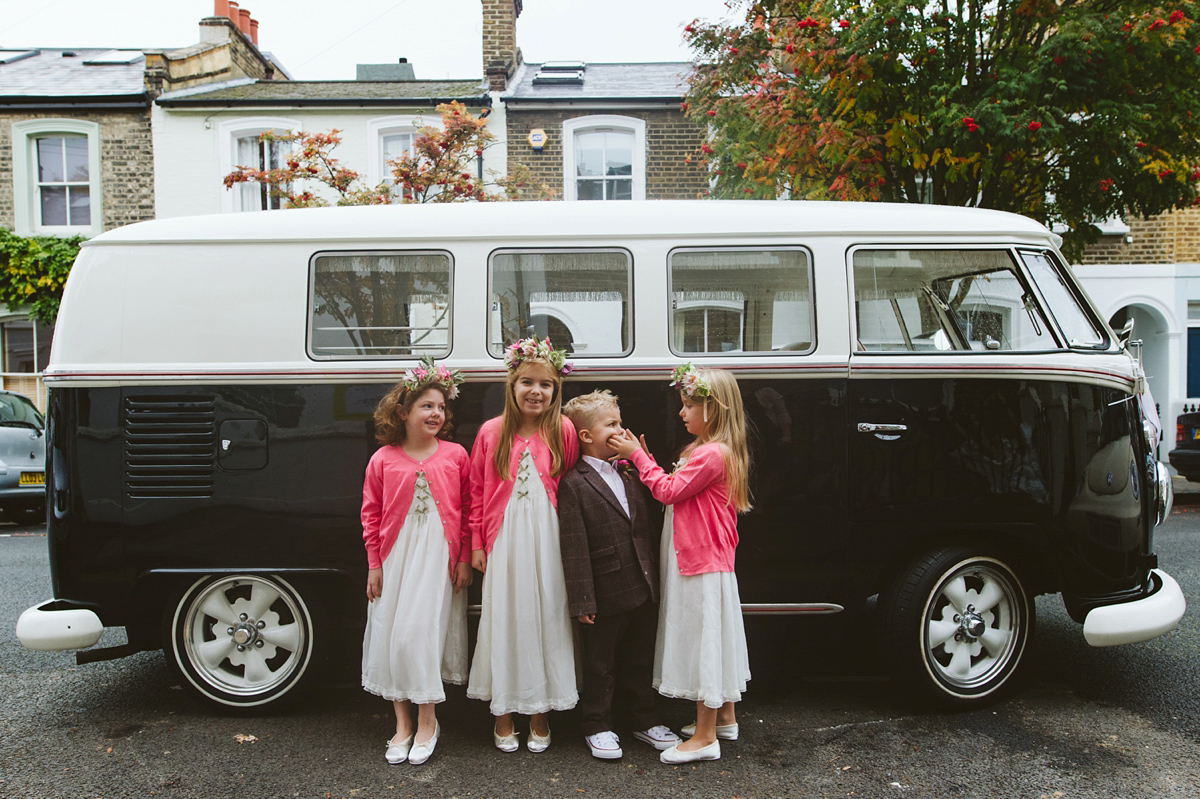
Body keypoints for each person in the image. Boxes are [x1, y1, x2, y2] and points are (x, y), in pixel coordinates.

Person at [609, 364, 752, 764]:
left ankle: (706, 737)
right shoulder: (704, 451)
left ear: (715, 408)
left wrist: (638, 458)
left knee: (704, 640)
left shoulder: (712, 453)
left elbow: (669, 492)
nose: (681, 413)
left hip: (701, 561)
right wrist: (647, 459)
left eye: (689, 405)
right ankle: (724, 716)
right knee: (712, 635)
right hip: (702, 558)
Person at [466, 336, 580, 752]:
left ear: (556, 390)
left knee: (547, 615)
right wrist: (477, 542)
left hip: (547, 536)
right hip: (505, 537)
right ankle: (503, 712)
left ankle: (540, 711)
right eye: (528, 382)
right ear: (512, 385)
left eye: (546, 384)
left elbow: (569, 483)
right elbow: (477, 491)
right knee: (506, 617)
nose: (536, 391)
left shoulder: (562, 429)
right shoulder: (491, 432)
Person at [558, 390, 682, 760]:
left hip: (643, 585)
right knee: (600, 664)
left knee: (640, 659)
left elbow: (656, 510)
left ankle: (645, 720)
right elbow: (574, 545)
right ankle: (597, 724)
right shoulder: (574, 482)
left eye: (620, 422)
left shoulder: (629, 472)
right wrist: (582, 599)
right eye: (611, 425)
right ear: (585, 436)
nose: (621, 431)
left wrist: (644, 461)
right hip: (605, 590)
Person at [360, 357, 472, 766]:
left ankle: (429, 721)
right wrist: (375, 563)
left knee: (421, 634)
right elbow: (371, 513)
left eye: (442, 407)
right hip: (396, 557)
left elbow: (467, 506)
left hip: (438, 557)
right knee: (394, 634)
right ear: (403, 412)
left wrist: (461, 556)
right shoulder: (384, 459)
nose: (436, 414)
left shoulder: (456, 455)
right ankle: (402, 724)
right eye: (427, 406)